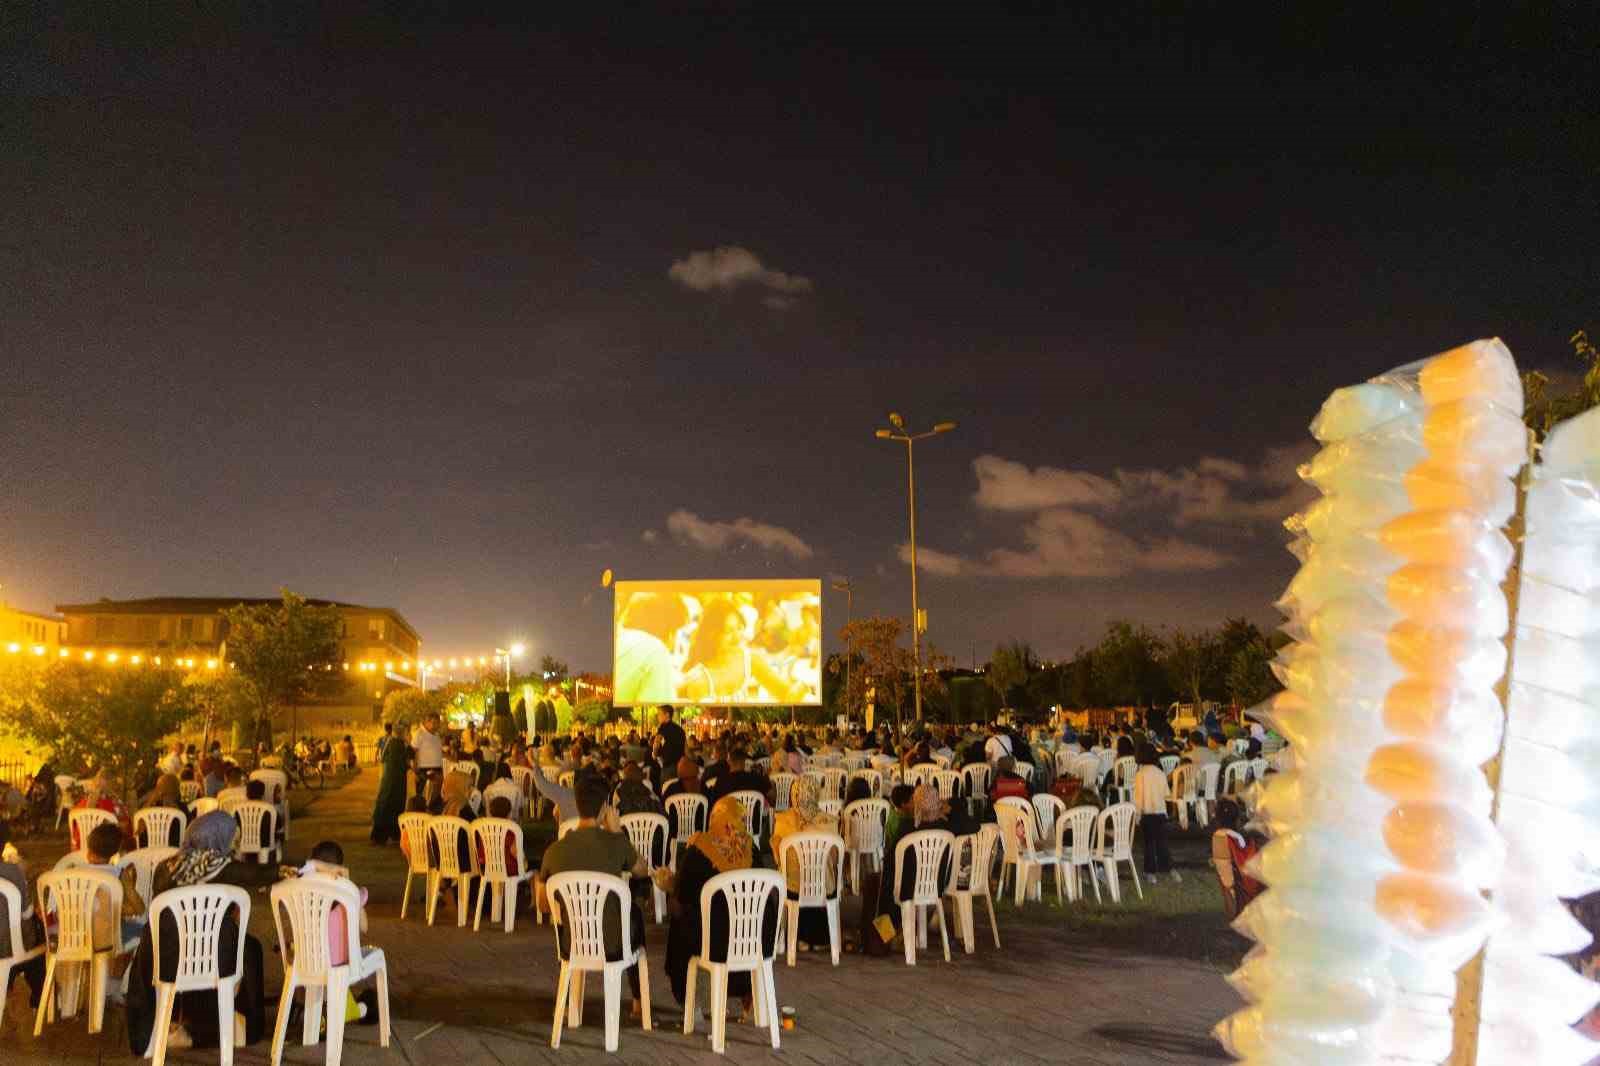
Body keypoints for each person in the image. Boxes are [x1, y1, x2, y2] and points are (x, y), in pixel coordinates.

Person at [124, 812, 267, 1053]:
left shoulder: (165, 867)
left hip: (164, 957)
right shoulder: (225, 869)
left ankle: (164, 1026)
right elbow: (259, 883)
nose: (235, 843)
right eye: (233, 838)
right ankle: (243, 1028)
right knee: (249, 948)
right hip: (213, 962)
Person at [538, 776, 650, 1020]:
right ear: (603, 808)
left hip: (573, 943)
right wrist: (618, 831)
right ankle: (639, 1003)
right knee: (635, 916)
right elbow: (643, 869)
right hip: (613, 944)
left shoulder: (553, 851)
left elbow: (543, 904)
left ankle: (569, 1005)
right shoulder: (616, 844)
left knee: (566, 923)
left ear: (578, 806)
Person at [662, 795, 778, 1018]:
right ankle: (749, 993)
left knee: (680, 912)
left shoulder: (699, 847)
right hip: (751, 942)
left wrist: (669, 887)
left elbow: (682, 894)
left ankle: (696, 998)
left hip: (711, 945)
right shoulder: (751, 849)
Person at [769, 777, 840, 951]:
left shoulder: (782, 821)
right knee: (819, 876)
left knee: (791, 877)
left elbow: (778, 858)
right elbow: (836, 860)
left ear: (794, 795)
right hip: (825, 887)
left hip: (793, 889)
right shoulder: (830, 822)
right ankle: (820, 938)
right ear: (816, 794)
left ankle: (797, 937)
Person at [82, 822, 145, 977]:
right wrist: (119, 910)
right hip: (109, 938)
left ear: (88, 848)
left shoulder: (74, 872)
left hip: (79, 935)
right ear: (114, 852)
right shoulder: (119, 874)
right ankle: (117, 979)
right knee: (144, 931)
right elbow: (140, 909)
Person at [0, 820, 45, 1009]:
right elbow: (26, 913)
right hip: (8, 946)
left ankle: (6, 983)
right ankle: (39, 999)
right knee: (38, 937)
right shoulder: (12, 870)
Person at [615, 593, 690, 705]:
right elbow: (662, 712)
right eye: (682, 633)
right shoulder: (655, 650)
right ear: (670, 632)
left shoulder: (619, 642)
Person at [1132, 742, 1177, 884]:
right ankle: (1169, 868)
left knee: (1149, 844)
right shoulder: (1160, 773)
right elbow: (1166, 794)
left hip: (1147, 814)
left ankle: (1150, 872)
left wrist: (1136, 816)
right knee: (1162, 843)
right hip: (1161, 813)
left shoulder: (1140, 774)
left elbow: (1138, 798)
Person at [1210, 799, 1261, 919]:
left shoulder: (1216, 835)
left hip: (1225, 879)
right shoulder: (1235, 837)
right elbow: (1244, 857)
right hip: (1236, 881)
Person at [370, 721, 411, 845]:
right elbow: (404, 763)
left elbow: (382, 758)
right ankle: (385, 835)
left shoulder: (391, 742)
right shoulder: (398, 745)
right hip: (395, 781)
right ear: (403, 733)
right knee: (392, 806)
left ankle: (386, 835)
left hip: (390, 780)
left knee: (386, 805)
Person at [135, 774, 187, 846]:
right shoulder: (183, 809)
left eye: (159, 787)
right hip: (170, 850)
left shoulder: (152, 809)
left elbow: (138, 832)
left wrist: (151, 800)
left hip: (152, 851)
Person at [411, 713, 445, 803]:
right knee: (420, 795)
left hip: (437, 768)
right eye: (434, 723)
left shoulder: (437, 735)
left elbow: (439, 750)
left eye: (437, 723)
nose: (436, 725)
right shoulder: (419, 733)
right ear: (427, 722)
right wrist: (415, 771)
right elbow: (413, 752)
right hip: (423, 769)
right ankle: (420, 814)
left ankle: (432, 812)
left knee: (435, 795)